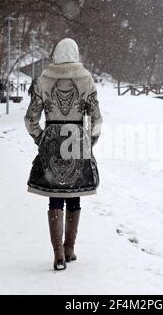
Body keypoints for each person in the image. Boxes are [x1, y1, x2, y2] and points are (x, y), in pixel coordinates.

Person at [24, 38, 103, 271]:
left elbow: (30, 119)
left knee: (55, 195)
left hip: (52, 143)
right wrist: (90, 142)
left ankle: (57, 253)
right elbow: (97, 120)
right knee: (75, 195)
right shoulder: (86, 79)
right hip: (77, 142)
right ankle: (69, 248)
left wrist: (41, 138)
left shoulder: (43, 79)